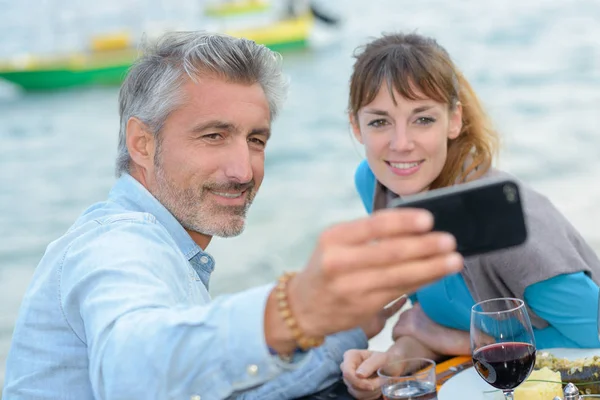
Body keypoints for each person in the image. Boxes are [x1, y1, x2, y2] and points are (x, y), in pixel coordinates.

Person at [2, 32, 464, 400]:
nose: (243, 170)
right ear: (142, 143)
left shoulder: (173, 250)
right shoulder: (116, 243)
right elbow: (128, 372)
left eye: (256, 140)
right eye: (213, 136)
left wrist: (339, 328)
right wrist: (291, 310)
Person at [340, 32, 600, 399]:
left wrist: (456, 340)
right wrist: (391, 363)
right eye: (380, 122)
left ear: (454, 120)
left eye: (423, 119)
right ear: (356, 126)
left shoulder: (506, 227)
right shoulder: (375, 185)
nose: (400, 144)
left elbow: (595, 333)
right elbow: (427, 315)